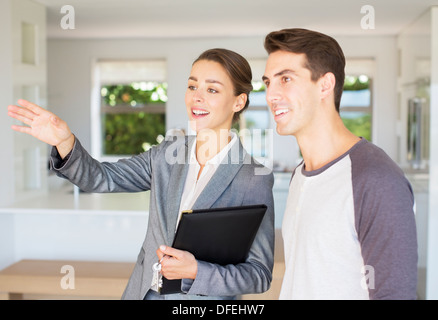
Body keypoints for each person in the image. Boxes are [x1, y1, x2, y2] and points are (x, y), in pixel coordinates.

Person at [7, 48, 275, 300]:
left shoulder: (252, 177)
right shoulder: (166, 155)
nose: (197, 97)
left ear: (238, 102)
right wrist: (64, 142)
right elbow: (102, 178)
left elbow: (259, 274)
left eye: (212, 89)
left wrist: (196, 271)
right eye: (192, 86)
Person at [262, 28, 417, 300]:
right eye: (267, 83)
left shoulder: (375, 179)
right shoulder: (301, 175)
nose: (271, 95)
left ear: (325, 85)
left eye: (285, 79)